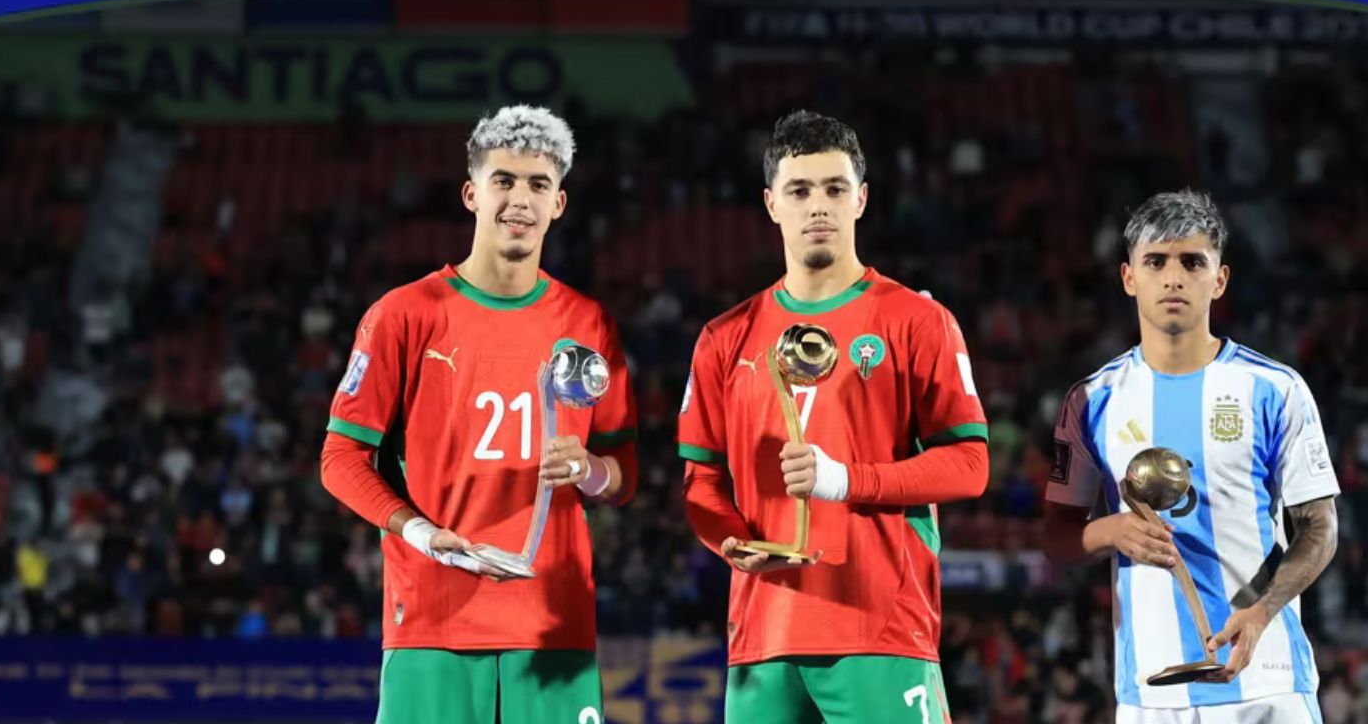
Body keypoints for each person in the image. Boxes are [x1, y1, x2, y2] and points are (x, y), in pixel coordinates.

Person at [321, 105, 638, 724]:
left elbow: (623, 475)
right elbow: (340, 458)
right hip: (433, 619)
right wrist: (419, 532)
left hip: (553, 626)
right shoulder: (403, 314)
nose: (520, 199)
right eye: (504, 181)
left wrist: (590, 470)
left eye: (538, 184)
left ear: (558, 204)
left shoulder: (589, 322)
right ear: (472, 193)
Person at [679, 109, 989, 723]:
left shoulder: (918, 321)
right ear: (771, 204)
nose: (818, 206)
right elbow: (701, 481)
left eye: (834, 189)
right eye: (799, 191)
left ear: (861, 199)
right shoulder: (723, 338)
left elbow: (970, 465)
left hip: (880, 630)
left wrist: (847, 480)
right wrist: (729, 540)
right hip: (763, 637)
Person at [1043, 189, 1339, 723]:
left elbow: (1320, 528)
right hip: (1153, 695)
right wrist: (1112, 530)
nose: (1173, 278)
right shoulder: (1091, 401)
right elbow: (1057, 536)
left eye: (1192, 262)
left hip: (1267, 684)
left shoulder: (1275, 389)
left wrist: (1261, 611)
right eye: (1156, 262)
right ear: (1129, 277)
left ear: (1219, 279)